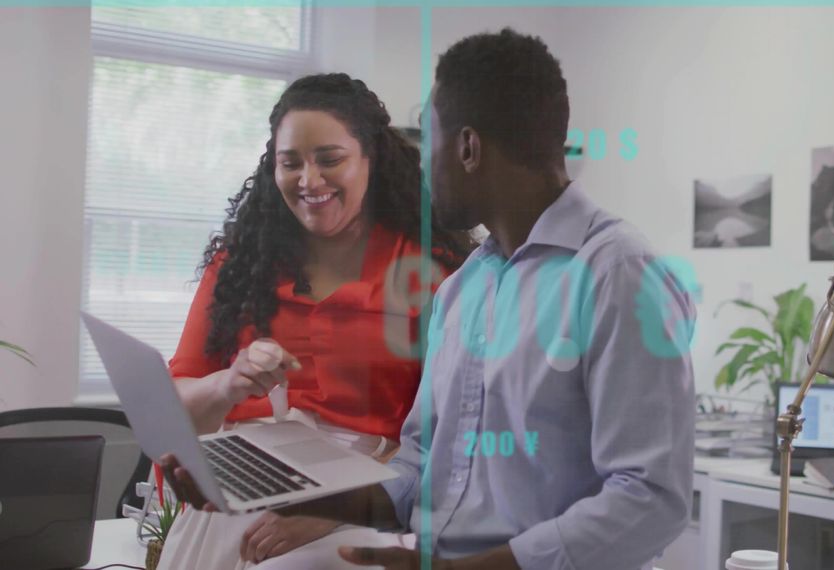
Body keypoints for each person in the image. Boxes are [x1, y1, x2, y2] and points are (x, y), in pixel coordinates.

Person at [163, 29, 697, 570]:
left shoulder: (619, 274)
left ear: (467, 149)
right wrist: (278, 498)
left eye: (430, 145)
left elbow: (651, 500)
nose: (421, 166)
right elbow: (419, 472)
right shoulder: (465, 288)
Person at [157, 73, 475, 570]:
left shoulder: (432, 271)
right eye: (291, 163)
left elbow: (454, 433)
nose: (309, 180)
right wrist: (228, 384)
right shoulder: (242, 261)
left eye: (330, 160)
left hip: (372, 490)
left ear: (371, 157)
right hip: (241, 482)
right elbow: (171, 413)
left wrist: (335, 509)